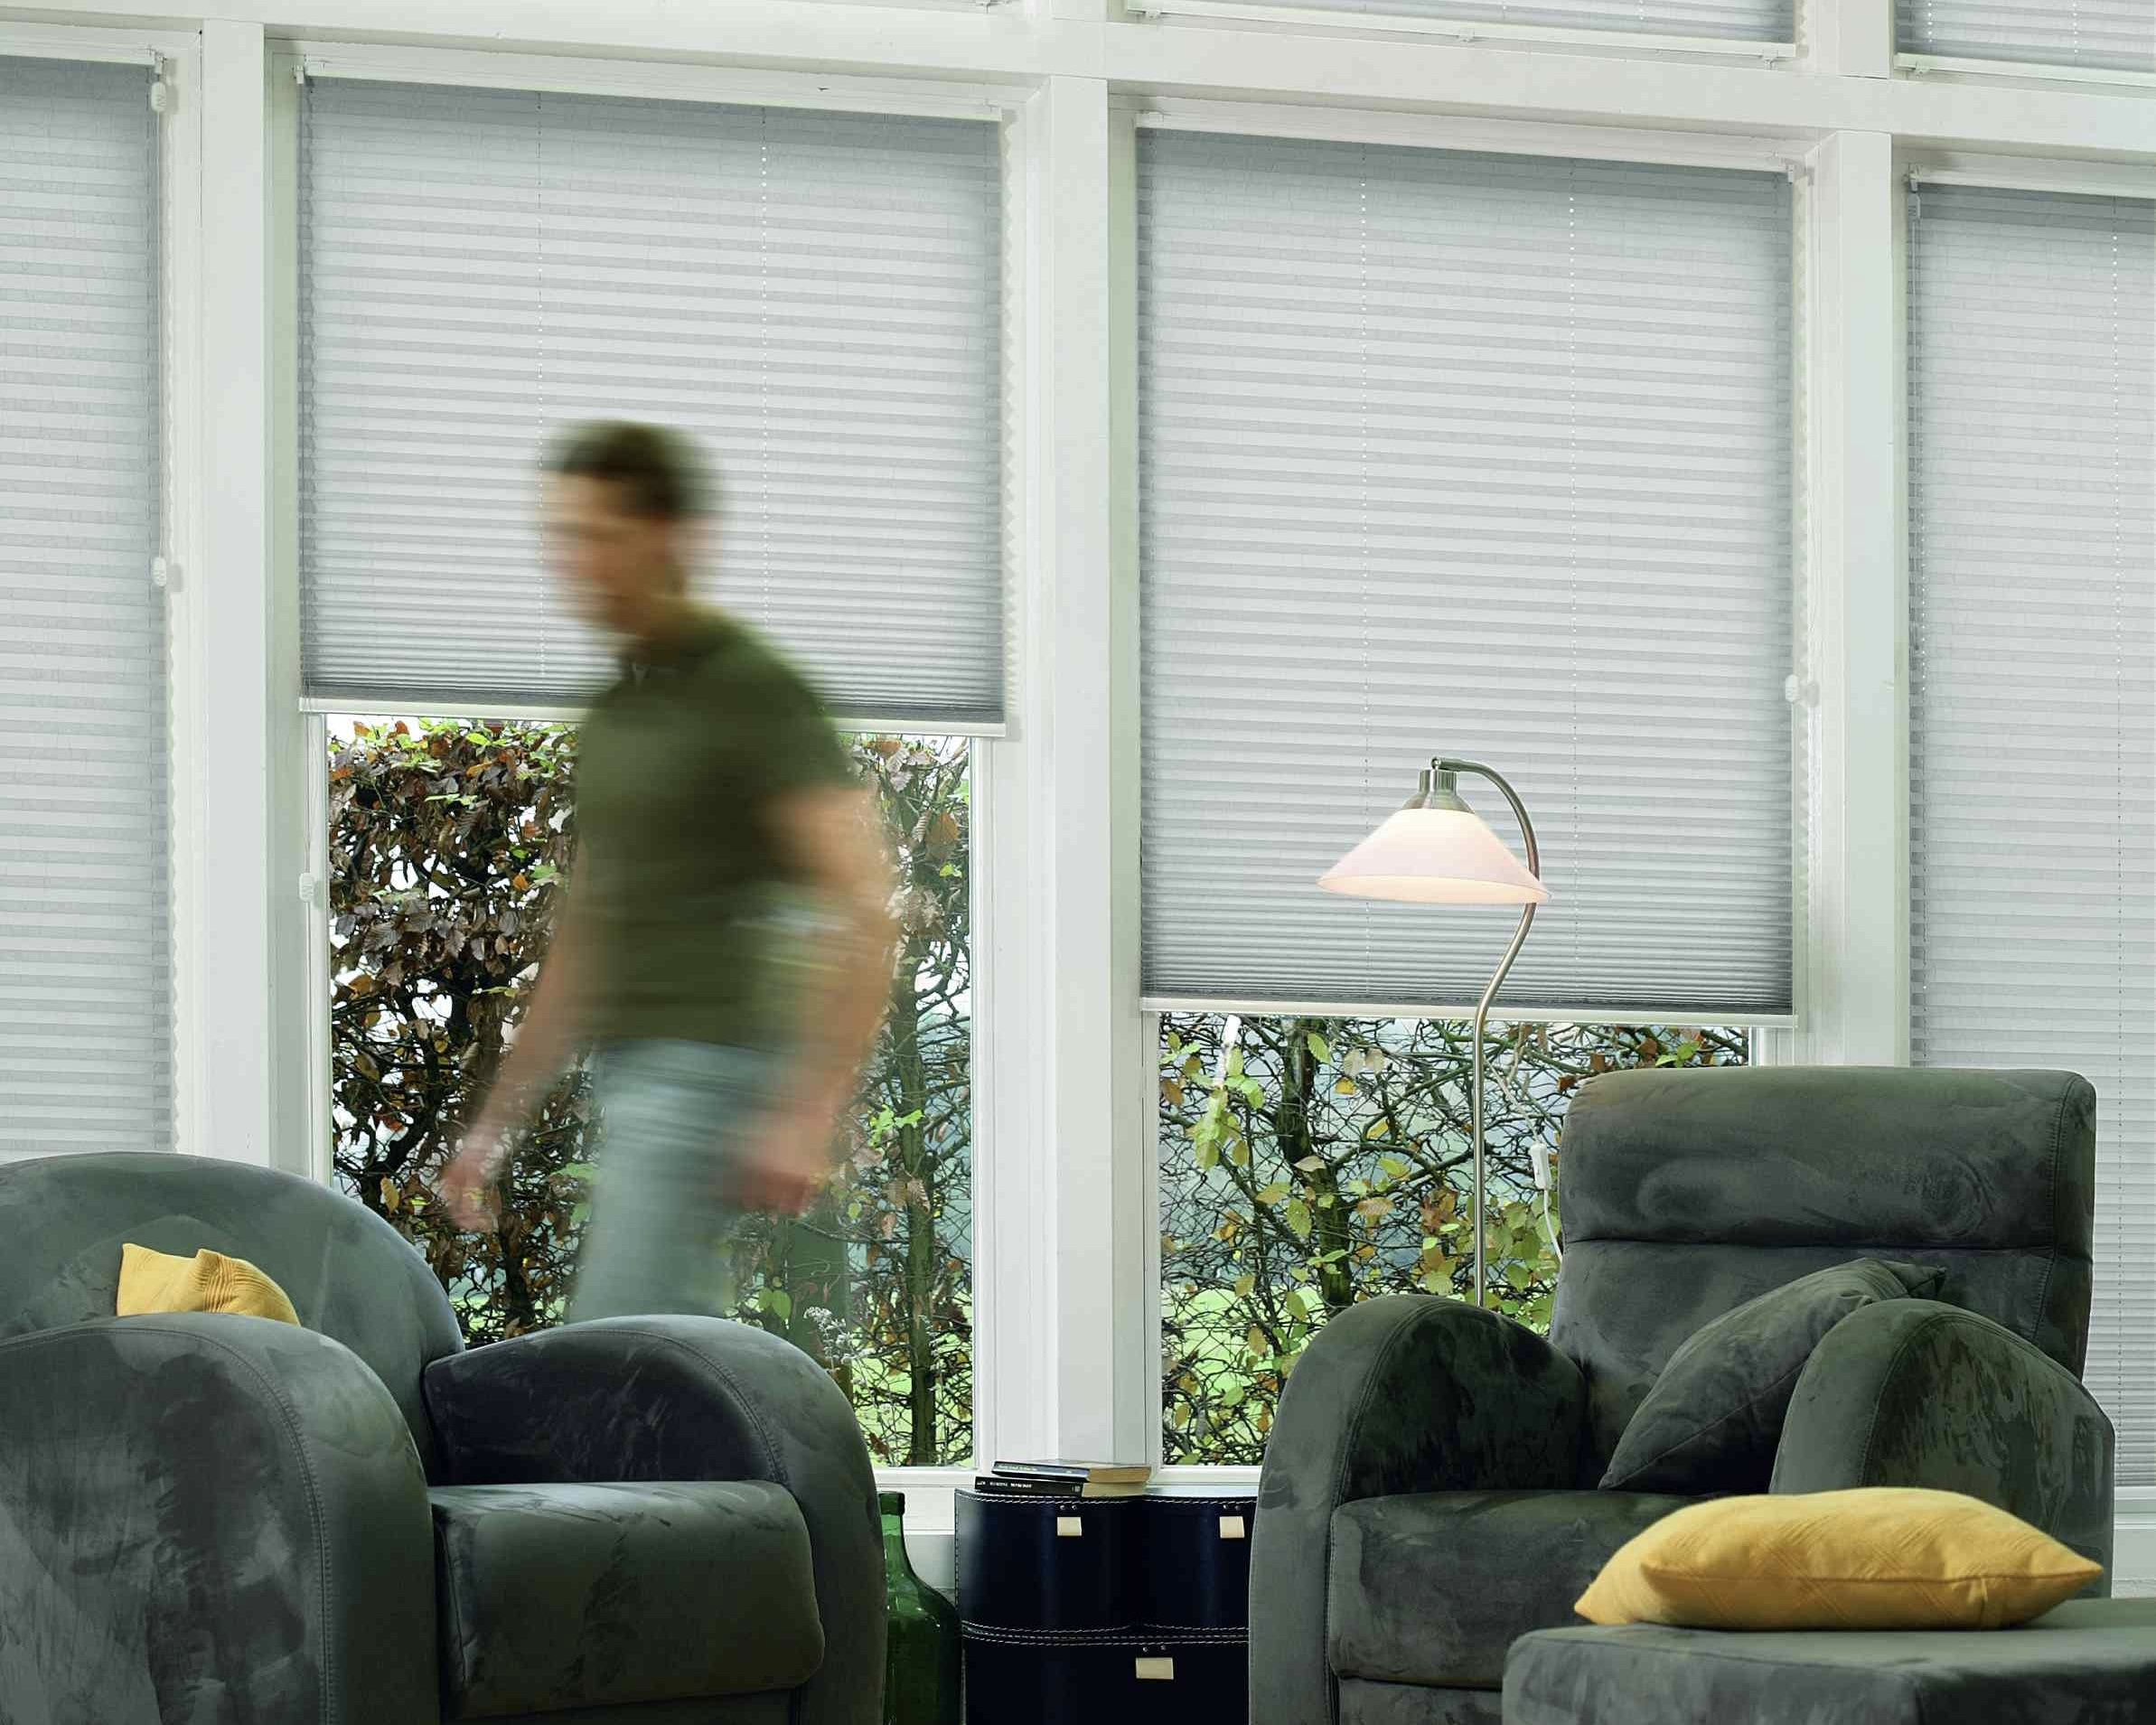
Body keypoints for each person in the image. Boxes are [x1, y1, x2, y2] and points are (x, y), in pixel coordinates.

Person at [436, 422, 896, 1321]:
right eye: (563, 537)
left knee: (616, 1353)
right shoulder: (616, 711)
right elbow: (587, 933)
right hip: (635, 1076)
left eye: (598, 535)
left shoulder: (750, 689)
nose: (575, 563)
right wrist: (494, 1124)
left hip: (713, 1071)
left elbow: (864, 907)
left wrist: (804, 1113)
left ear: (672, 536)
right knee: (667, 1361)